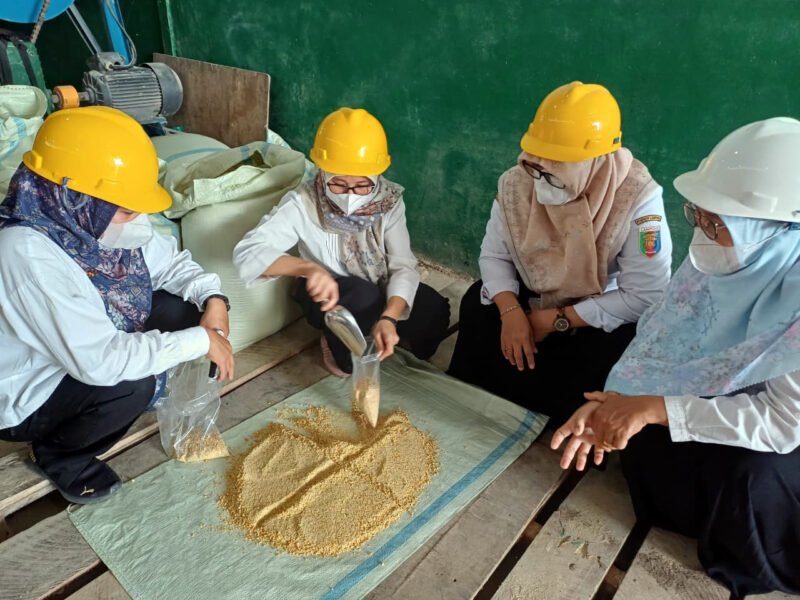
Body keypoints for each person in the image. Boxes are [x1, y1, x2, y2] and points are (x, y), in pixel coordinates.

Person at [552, 117, 800, 596]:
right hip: (729, 392)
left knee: (753, 473)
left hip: (788, 426)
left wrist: (655, 408)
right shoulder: (730, 249)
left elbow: (785, 422)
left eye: (718, 222)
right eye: (699, 214)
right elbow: (664, 334)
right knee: (640, 437)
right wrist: (616, 400)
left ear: (779, 228)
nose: (702, 233)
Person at [0, 106, 234, 504]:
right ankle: (60, 455)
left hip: (79, 347)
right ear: (75, 198)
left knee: (182, 311)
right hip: (25, 391)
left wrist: (213, 299)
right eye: (127, 209)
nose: (136, 219)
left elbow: (170, 264)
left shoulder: (93, 220)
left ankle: (115, 406)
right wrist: (198, 342)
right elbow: (101, 363)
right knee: (127, 384)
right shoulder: (26, 255)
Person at [447, 82, 672, 426]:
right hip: (530, 294)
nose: (541, 174)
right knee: (478, 309)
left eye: (559, 163)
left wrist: (556, 319)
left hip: (593, 309)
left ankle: (556, 420)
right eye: (537, 160)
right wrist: (511, 312)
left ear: (597, 160)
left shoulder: (638, 200)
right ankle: (490, 396)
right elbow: (494, 256)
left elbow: (646, 295)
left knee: (615, 349)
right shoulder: (517, 183)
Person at [233, 107, 450, 376]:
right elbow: (247, 252)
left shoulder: (389, 201)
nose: (349, 195)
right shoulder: (303, 202)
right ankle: (333, 336)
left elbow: (403, 265)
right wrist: (307, 269)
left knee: (434, 312)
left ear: (376, 176)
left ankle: (381, 328)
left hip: (377, 283)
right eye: (337, 184)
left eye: (361, 186)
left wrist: (389, 318)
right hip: (332, 296)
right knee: (357, 324)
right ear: (322, 173)